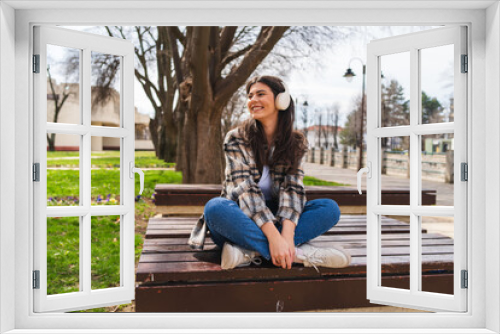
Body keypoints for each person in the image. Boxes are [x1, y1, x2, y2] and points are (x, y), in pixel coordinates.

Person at [204, 75, 351, 270]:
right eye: (250, 96)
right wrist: (275, 238)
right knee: (215, 208)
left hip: (277, 217)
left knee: (329, 208)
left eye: (260, 94)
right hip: (240, 220)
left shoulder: (296, 143)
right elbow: (245, 190)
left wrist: (286, 237)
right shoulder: (236, 138)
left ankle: (249, 253)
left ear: (281, 100)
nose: (253, 100)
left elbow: (293, 189)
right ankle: (301, 255)